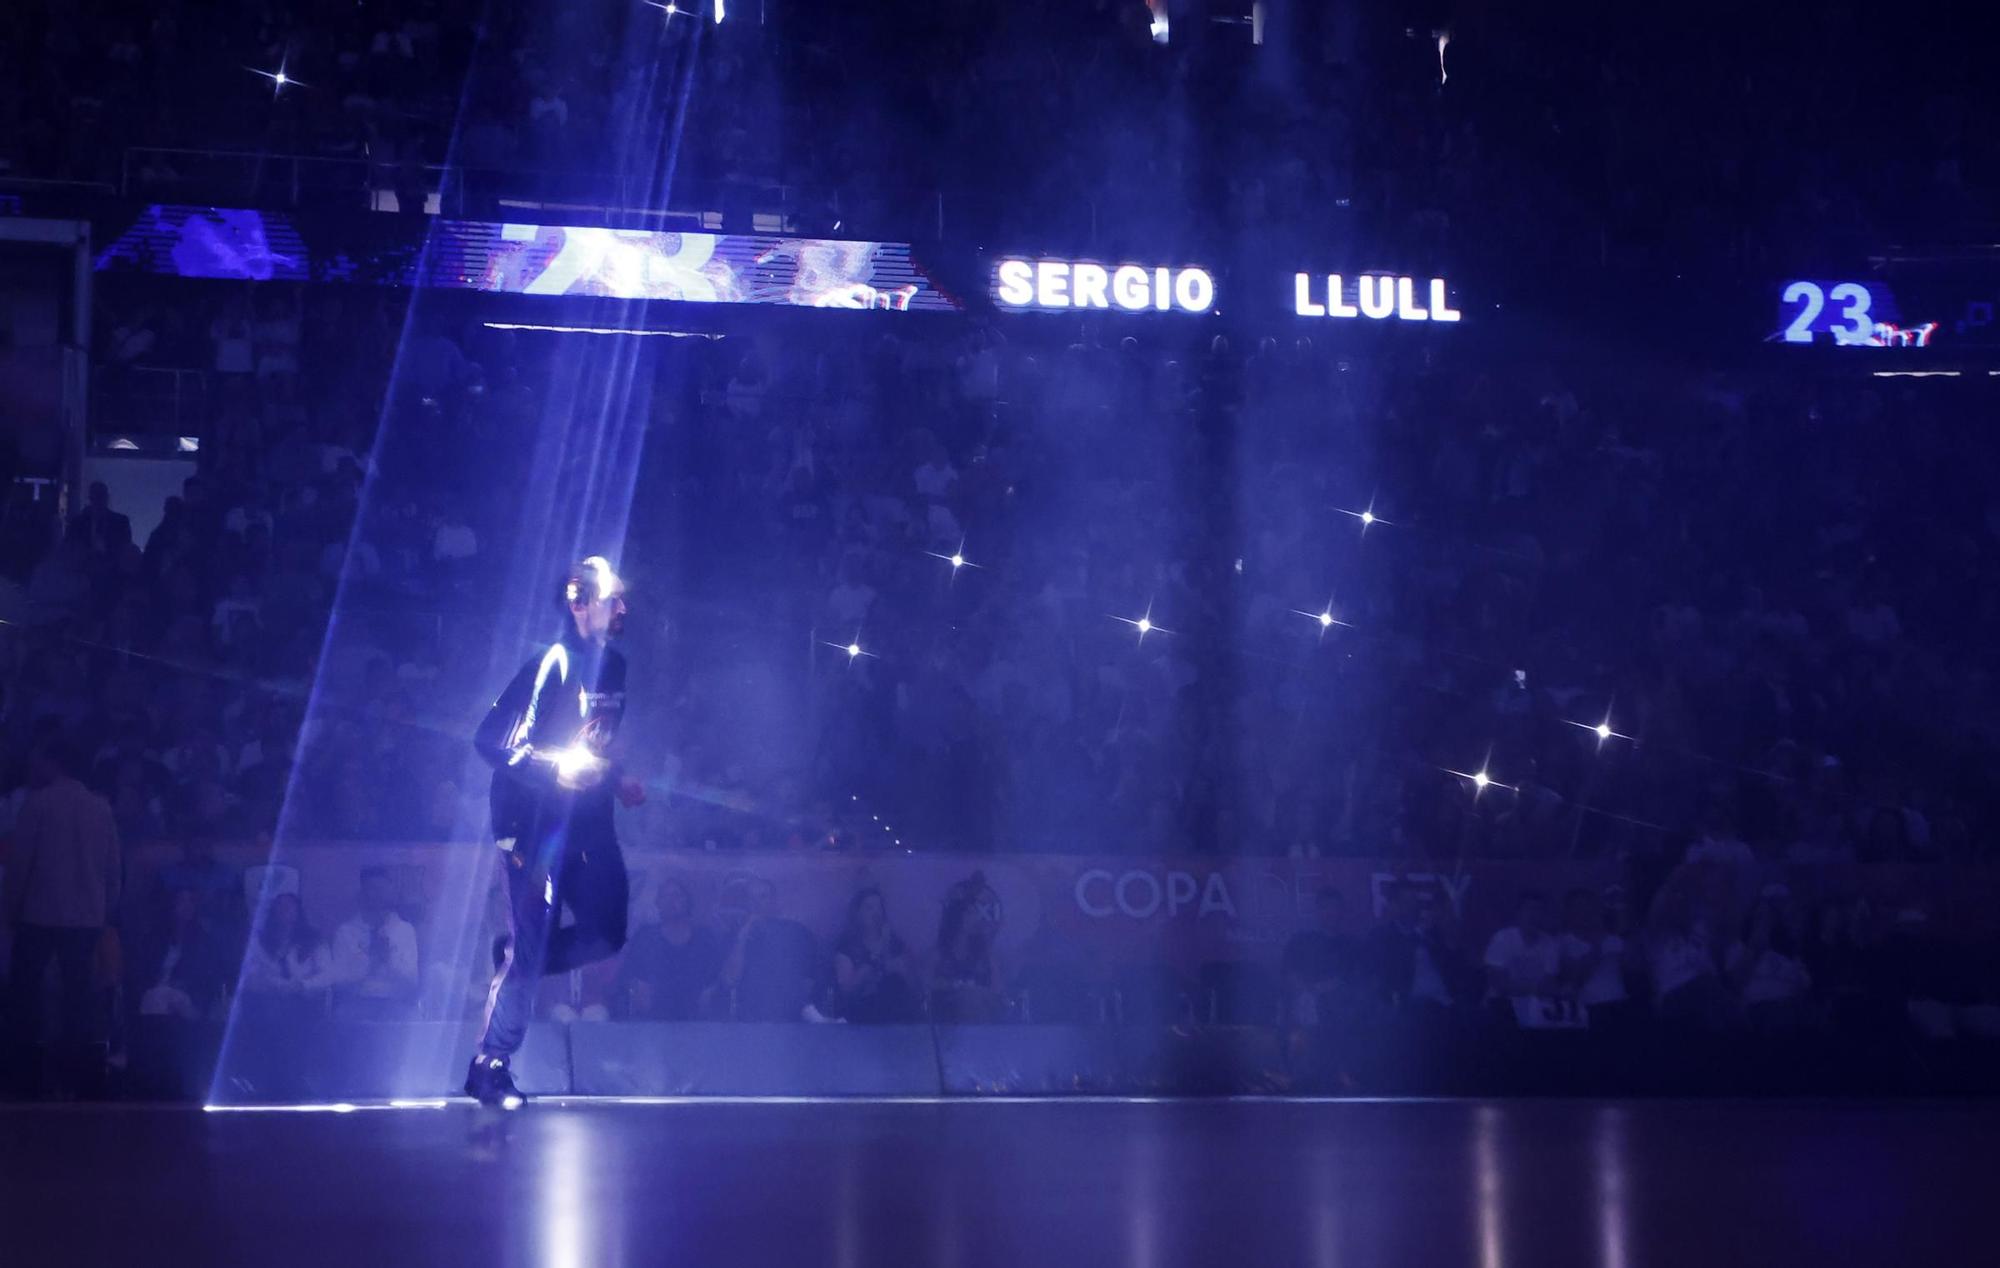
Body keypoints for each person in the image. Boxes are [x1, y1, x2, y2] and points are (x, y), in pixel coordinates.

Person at [465, 556, 647, 1106]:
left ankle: (520, 957)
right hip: (532, 826)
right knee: (533, 938)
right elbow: (491, 741)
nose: (621, 607)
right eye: (610, 598)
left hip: (589, 822)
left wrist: (614, 779)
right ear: (578, 604)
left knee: (607, 931)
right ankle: (490, 1065)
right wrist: (556, 770)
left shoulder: (614, 667)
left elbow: (591, 743)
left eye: (621, 598)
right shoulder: (549, 664)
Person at [3, 740, 121, 1094]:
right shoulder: (100, 808)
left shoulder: (38, 804)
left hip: (38, 913)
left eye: (37, 761)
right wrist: (105, 909)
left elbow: (20, 864)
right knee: (79, 998)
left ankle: (24, 1071)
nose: (32, 767)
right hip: (85, 916)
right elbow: (113, 868)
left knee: (26, 994)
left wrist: (10, 909)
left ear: (53, 762)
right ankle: (80, 1072)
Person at [613, 877, 721, 1022]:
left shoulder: (704, 937)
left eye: (677, 895)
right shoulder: (645, 936)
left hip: (696, 1019)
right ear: (658, 903)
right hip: (652, 1020)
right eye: (665, 896)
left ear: (687, 902)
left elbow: (718, 975)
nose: (671, 901)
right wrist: (636, 987)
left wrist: (710, 993)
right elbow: (627, 973)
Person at [329, 867, 420, 1019]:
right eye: (373, 889)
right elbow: (339, 983)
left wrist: (388, 960)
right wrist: (370, 961)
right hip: (356, 1003)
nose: (378, 895)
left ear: (390, 892)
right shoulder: (346, 931)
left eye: (382, 889)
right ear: (363, 893)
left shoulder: (405, 930)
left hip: (396, 1004)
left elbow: (412, 981)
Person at [828, 887, 920, 1023]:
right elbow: (847, 993)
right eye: (869, 908)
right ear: (857, 913)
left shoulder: (896, 944)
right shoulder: (847, 947)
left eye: (879, 907)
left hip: (898, 1018)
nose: (876, 913)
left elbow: (916, 988)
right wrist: (872, 962)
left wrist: (900, 967)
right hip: (861, 1019)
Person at [241, 891, 334, 1013]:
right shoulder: (259, 943)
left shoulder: (314, 940)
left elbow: (328, 975)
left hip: (307, 1007)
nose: (284, 910)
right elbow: (251, 977)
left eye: (289, 906)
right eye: (280, 906)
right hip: (269, 1006)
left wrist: (303, 985)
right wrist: (276, 986)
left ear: (298, 911)